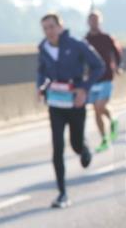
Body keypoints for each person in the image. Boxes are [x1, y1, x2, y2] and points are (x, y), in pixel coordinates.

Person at [36, 13, 105, 209]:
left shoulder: (76, 45)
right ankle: (62, 193)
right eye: (45, 28)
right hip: (55, 104)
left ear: (60, 27)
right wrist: (40, 87)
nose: (48, 32)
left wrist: (84, 88)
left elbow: (98, 65)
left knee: (75, 144)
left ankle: (83, 149)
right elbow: (41, 70)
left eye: (51, 27)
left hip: (75, 103)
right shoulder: (43, 48)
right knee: (57, 147)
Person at [84, 11, 123, 152]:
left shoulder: (106, 38)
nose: (93, 22)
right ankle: (104, 138)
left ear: (100, 21)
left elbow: (117, 53)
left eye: (96, 20)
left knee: (100, 106)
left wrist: (117, 67)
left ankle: (112, 120)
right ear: (88, 22)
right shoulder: (85, 40)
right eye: (91, 20)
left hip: (106, 77)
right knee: (96, 110)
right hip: (93, 79)